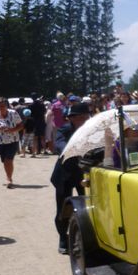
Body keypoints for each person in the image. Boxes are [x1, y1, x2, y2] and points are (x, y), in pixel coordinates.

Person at [50, 102, 91, 253]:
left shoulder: (91, 130)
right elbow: (59, 144)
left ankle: (86, 237)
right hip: (64, 175)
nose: (85, 119)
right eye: (82, 117)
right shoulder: (64, 129)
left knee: (87, 207)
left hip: (83, 174)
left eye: (87, 116)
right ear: (73, 118)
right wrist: (72, 149)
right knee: (62, 209)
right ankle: (63, 237)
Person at [0, 97, 23, 188]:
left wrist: (12, 130)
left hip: (13, 141)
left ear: (6, 105)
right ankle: (8, 176)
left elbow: (21, 125)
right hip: (0, 142)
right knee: (5, 161)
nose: (1, 108)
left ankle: (9, 178)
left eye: (3, 106)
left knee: (9, 160)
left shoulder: (13, 113)